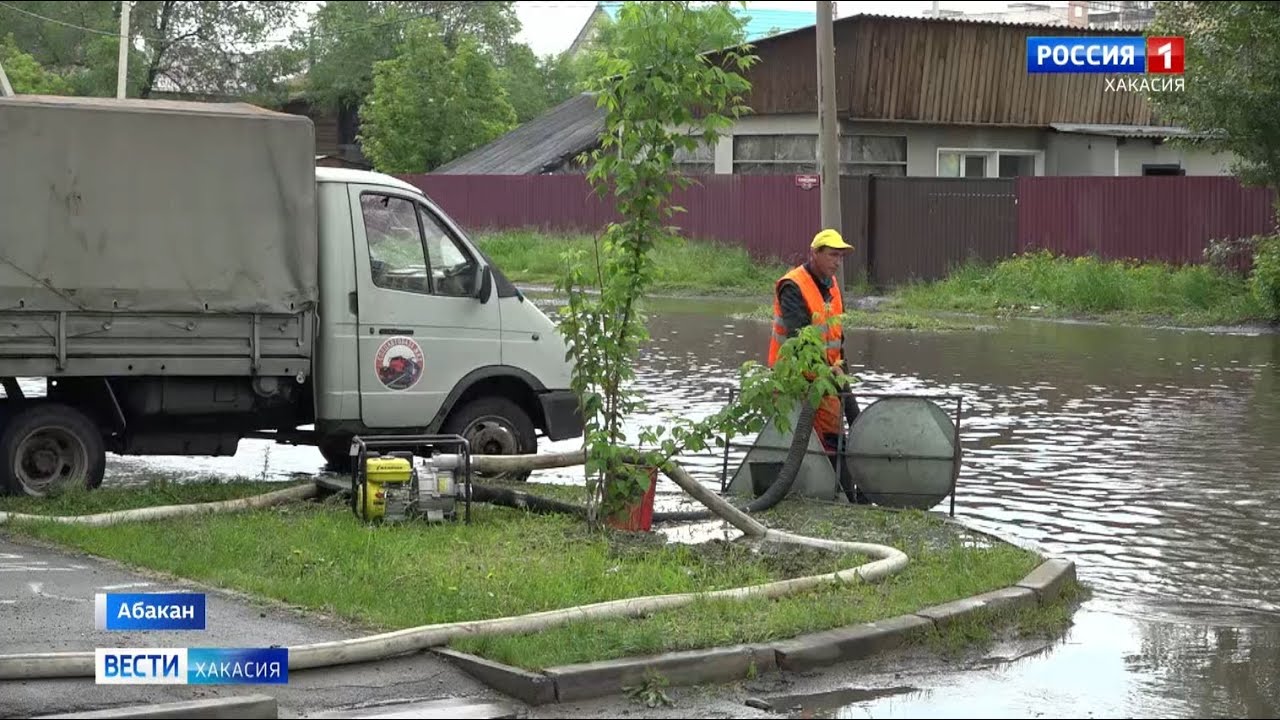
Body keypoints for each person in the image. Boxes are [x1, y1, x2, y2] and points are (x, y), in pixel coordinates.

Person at [766, 228, 864, 498]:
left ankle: (848, 496)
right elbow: (800, 339)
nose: (837, 262)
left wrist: (843, 378)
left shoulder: (832, 287)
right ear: (815, 254)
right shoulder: (793, 286)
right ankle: (838, 497)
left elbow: (837, 340)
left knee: (835, 442)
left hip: (828, 381)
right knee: (805, 443)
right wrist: (829, 376)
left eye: (841, 257)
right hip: (796, 384)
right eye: (832, 255)